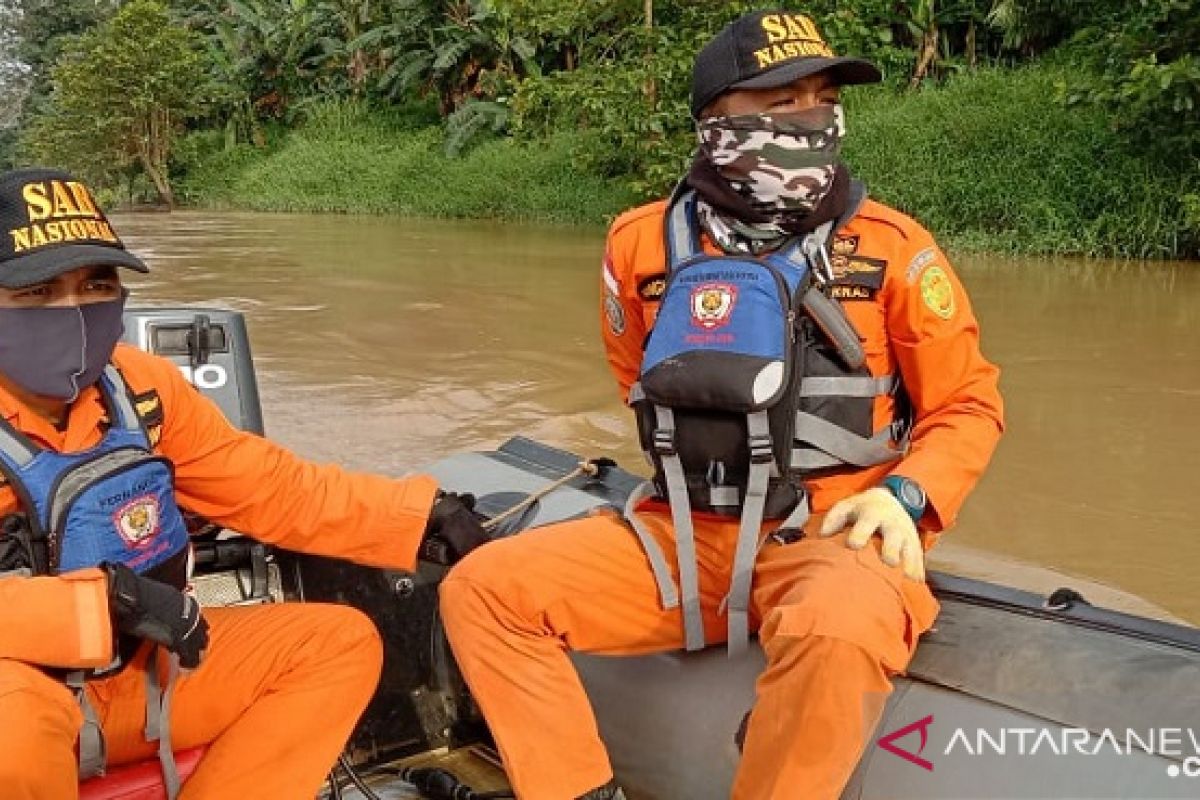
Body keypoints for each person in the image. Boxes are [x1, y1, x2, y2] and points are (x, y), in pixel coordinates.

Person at [440, 9, 1003, 800]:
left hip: (834, 527)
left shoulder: (895, 248)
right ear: (715, 124)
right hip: (684, 529)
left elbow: (968, 405)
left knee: (835, 628)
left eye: (820, 98)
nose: (810, 118)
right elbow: (638, 379)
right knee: (484, 589)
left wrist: (906, 498)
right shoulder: (638, 245)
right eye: (780, 103)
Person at [0, 166, 490, 800]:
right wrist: (103, 605)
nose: (74, 310)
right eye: (38, 291)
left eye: (96, 284)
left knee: (335, 645)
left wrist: (420, 515)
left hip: (145, 672)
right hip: (24, 692)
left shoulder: (141, 387)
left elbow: (270, 485)